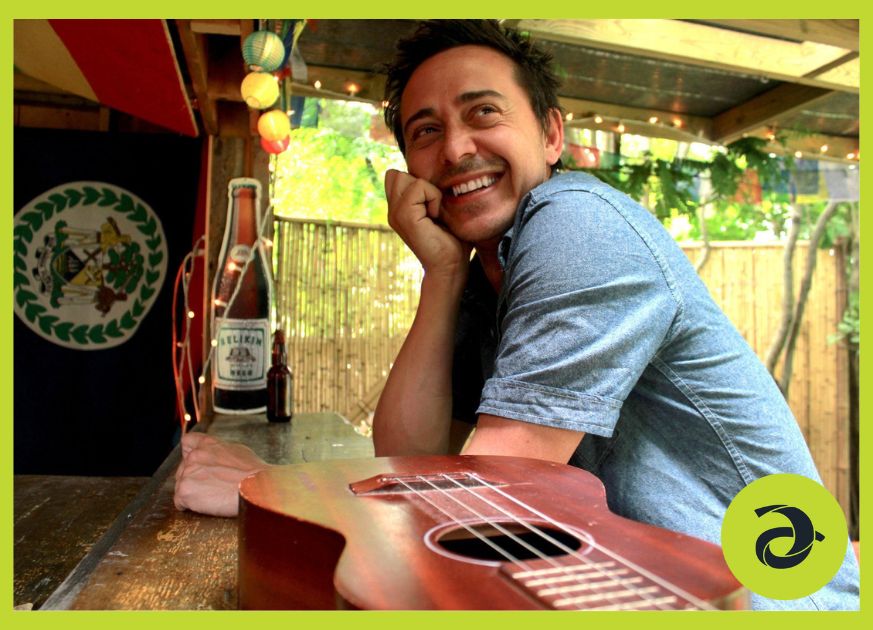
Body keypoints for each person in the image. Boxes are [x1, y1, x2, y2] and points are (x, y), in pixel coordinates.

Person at [175, 20, 859, 610]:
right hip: (638, 588)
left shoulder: (578, 222)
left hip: (770, 600)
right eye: (425, 131)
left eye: (483, 114)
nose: (455, 149)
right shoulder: (484, 278)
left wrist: (289, 493)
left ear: (552, 134)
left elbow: (498, 497)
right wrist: (441, 273)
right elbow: (414, 454)